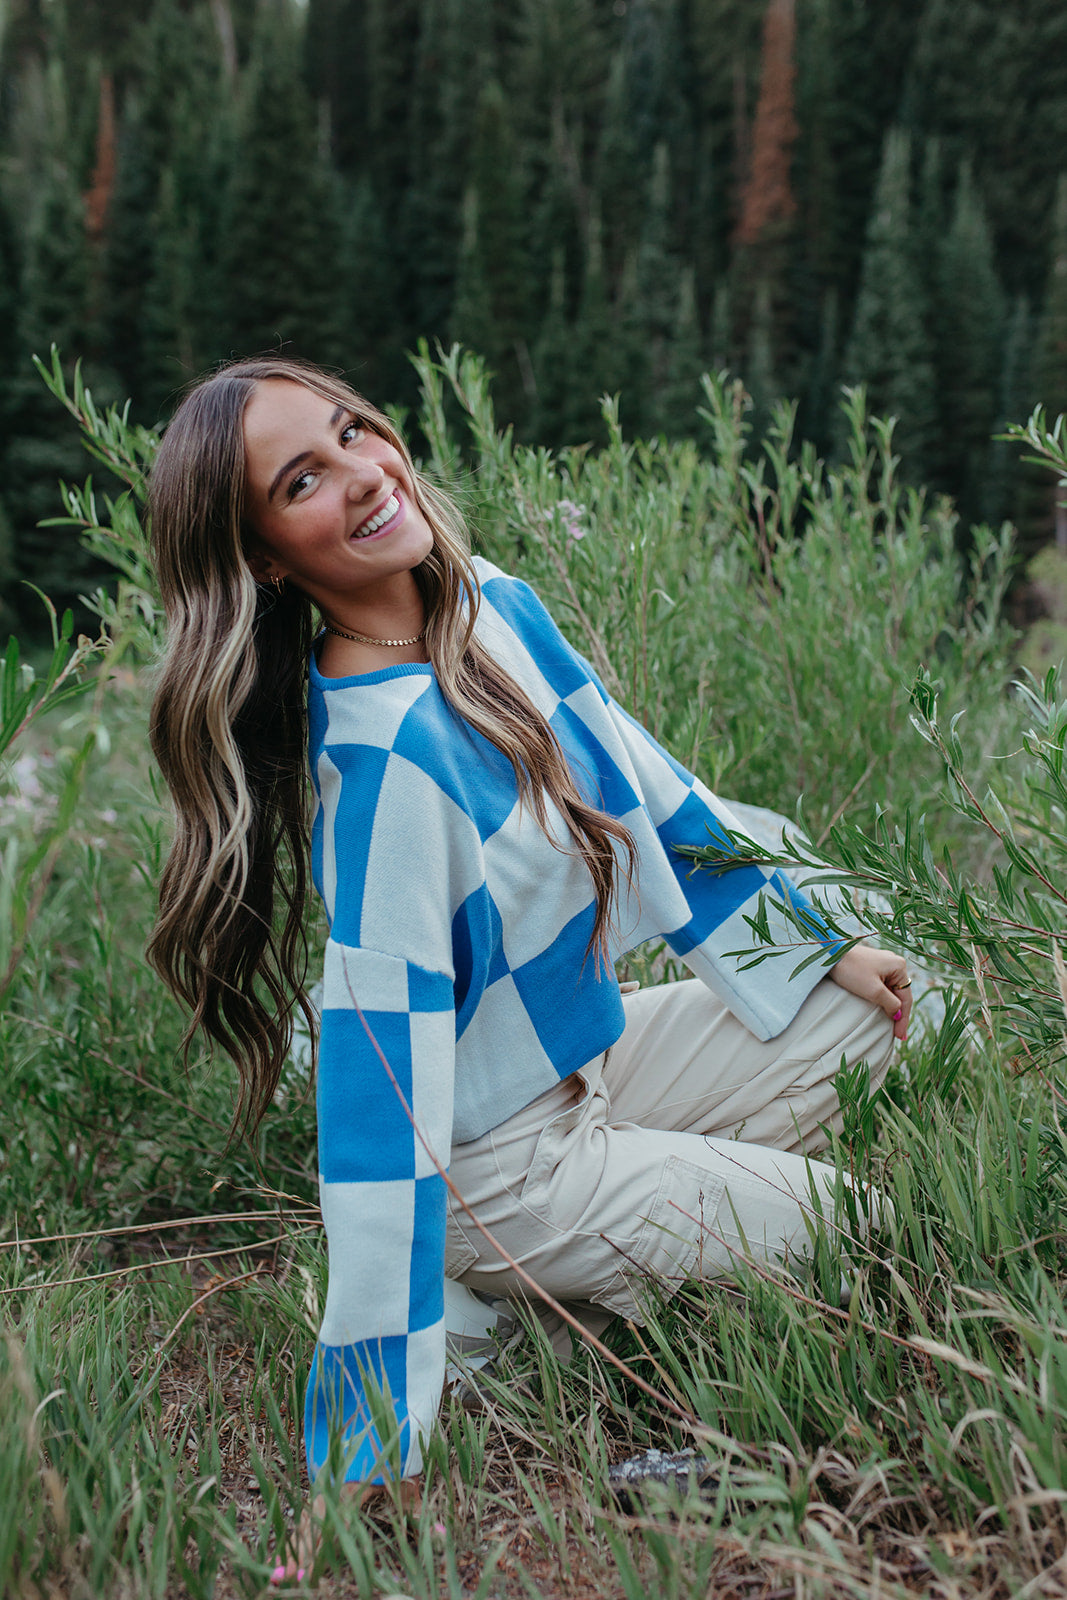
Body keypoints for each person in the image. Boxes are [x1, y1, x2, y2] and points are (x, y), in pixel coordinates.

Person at [146, 356, 911, 1579]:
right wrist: (362, 1453)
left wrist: (822, 941)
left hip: (591, 1068)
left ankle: (533, 1320)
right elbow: (380, 1129)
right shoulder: (386, 770)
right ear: (266, 562)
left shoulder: (483, 604)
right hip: (501, 1167)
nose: (362, 475)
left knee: (888, 1014)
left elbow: (654, 791)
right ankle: (502, 1303)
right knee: (861, 1234)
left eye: (352, 432)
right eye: (302, 480)